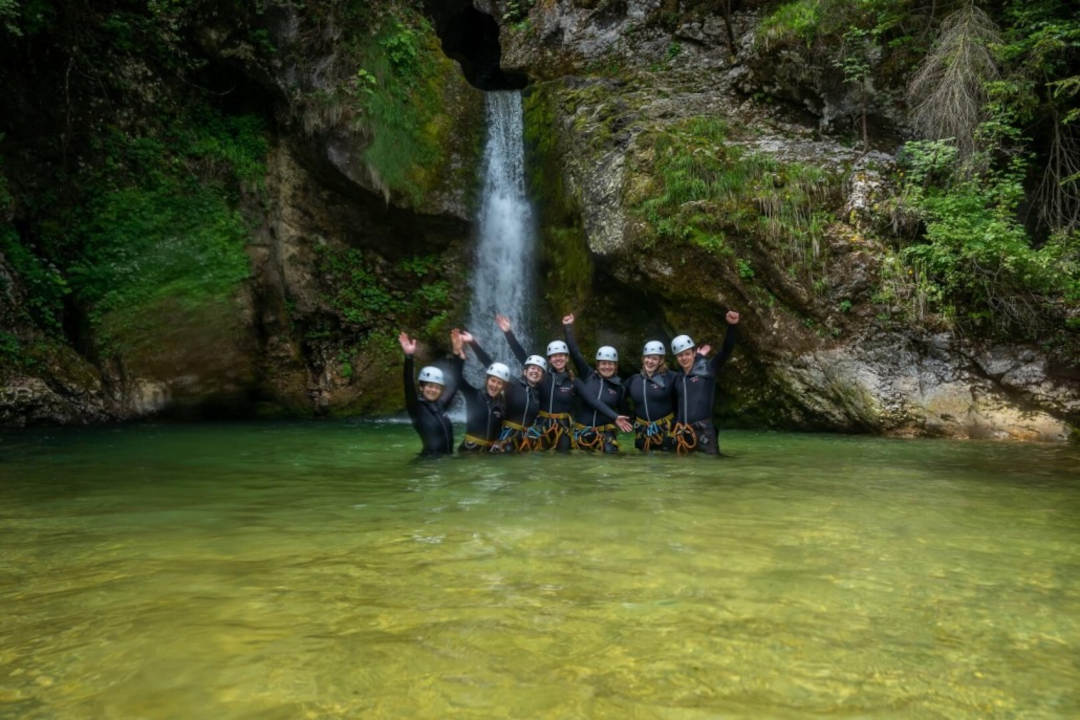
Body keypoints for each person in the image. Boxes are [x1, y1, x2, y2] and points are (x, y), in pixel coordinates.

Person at [465, 323, 545, 453]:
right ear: (525, 371)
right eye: (532, 368)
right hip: (506, 437)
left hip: (527, 439)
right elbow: (490, 364)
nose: (535, 371)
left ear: (542, 375)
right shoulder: (512, 385)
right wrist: (473, 343)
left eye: (539, 370)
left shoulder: (540, 392)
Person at [671, 310, 740, 455]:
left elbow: (726, 350)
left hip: (704, 432)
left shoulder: (708, 369)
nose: (684, 358)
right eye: (680, 355)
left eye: (687, 354)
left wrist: (732, 327)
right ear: (676, 358)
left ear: (694, 353)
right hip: (683, 432)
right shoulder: (678, 378)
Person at [563, 313, 633, 453]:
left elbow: (624, 412)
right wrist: (567, 327)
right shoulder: (587, 375)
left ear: (616, 366)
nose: (606, 367)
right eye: (603, 364)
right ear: (597, 365)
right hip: (582, 432)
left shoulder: (620, 388)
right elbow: (575, 353)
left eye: (610, 364)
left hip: (605, 434)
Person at [399, 330, 458, 457]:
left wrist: (457, 354)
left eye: (437, 387)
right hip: (429, 465)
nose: (433, 390)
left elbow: (455, 383)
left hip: (446, 462)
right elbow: (408, 383)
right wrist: (409, 357)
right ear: (421, 387)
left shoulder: (440, 405)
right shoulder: (417, 408)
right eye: (429, 386)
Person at [454, 329, 509, 453]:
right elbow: (457, 379)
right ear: (487, 380)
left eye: (499, 383)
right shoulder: (473, 395)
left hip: (490, 453)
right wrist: (458, 356)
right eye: (492, 381)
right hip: (469, 451)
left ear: (503, 386)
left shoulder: (503, 404)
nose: (494, 385)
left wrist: (503, 441)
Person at [626, 340, 677, 452]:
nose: (650, 361)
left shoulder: (671, 377)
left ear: (661, 361)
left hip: (665, 431)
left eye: (654, 358)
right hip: (643, 432)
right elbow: (618, 396)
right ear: (643, 358)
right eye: (648, 357)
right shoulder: (634, 380)